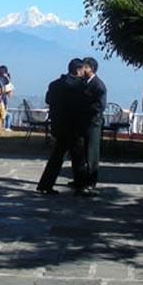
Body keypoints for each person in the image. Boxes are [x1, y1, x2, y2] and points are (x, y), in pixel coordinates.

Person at [37, 59, 89, 195]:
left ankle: (45, 184)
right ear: (78, 70)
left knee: (56, 157)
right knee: (78, 158)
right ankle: (81, 186)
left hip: (59, 125)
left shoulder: (54, 84)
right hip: (75, 127)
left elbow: (48, 100)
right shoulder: (80, 86)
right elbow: (84, 106)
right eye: (83, 70)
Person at [83, 56, 107, 193]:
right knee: (83, 151)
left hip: (93, 123)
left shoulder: (98, 85)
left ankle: (91, 181)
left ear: (91, 68)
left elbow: (100, 106)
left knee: (92, 153)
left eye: (85, 67)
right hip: (84, 122)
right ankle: (82, 178)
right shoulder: (85, 82)